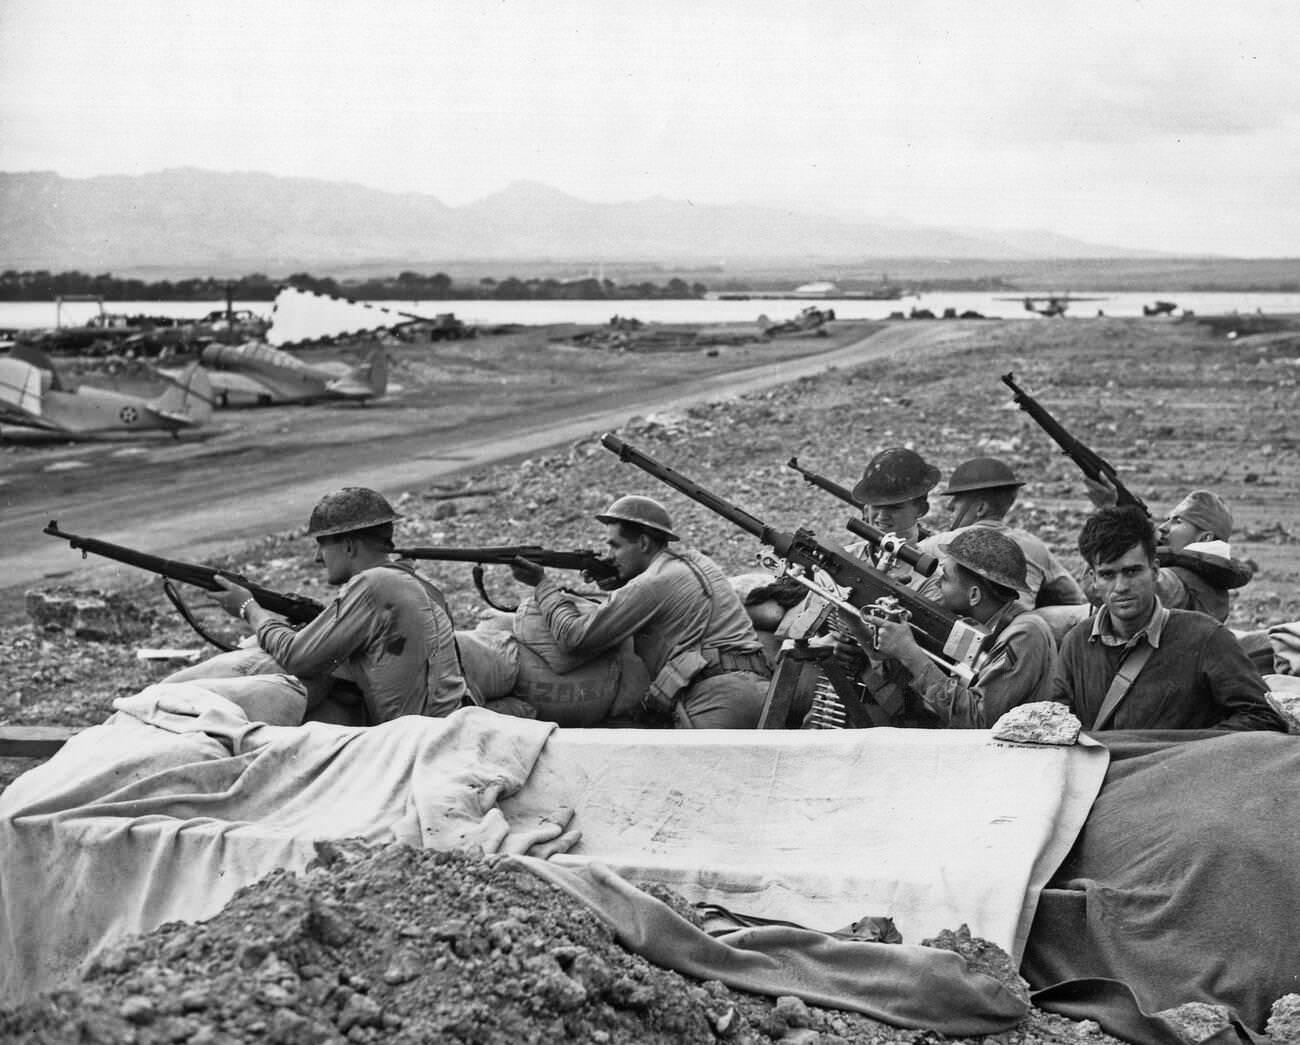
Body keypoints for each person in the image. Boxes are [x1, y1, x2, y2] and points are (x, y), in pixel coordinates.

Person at [181, 487, 469, 725]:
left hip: (416, 741)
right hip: (449, 726)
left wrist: (248, 608)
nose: (318, 558)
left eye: (322, 544)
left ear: (349, 546)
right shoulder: (421, 583)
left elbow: (297, 657)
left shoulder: (373, 584)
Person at [508, 495, 771, 729]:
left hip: (716, 700)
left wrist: (542, 585)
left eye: (616, 546)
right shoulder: (697, 562)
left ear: (644, 542)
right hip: (761, 692)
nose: (610, 556)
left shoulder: (653, 583)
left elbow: (575, 638)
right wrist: (621, 584)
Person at [1051, 506, 1285, 732]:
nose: (1121, 587)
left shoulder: (1206, 637)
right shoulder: (1076, 643)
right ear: (1093, 579)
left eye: (1132, 571)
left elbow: (1262, 716)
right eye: (1108, 575)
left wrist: (1184, 751)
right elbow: (1056, 724)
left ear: (1154, 571)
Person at [842, 528, 1058, 728]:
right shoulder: (983, 629)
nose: (936, 585)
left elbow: (978, 720)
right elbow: (901, 688)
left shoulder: (1025, 633)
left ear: (974, 595)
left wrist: (911, 654)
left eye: (945, 579)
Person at [918, 457, 1087, 610]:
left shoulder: (942, 544)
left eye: (956, 503)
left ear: (981, 508)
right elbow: (1073, 599)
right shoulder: (1034, 545)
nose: (949, 507)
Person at [1084, 481, 1251, 622]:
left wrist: (1109, 512)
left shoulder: (1178, 581)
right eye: (1167, 520)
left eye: (1177, 522)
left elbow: (1098, 588)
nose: (1163, 528)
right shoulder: (1208, 575)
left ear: (1205, 538)